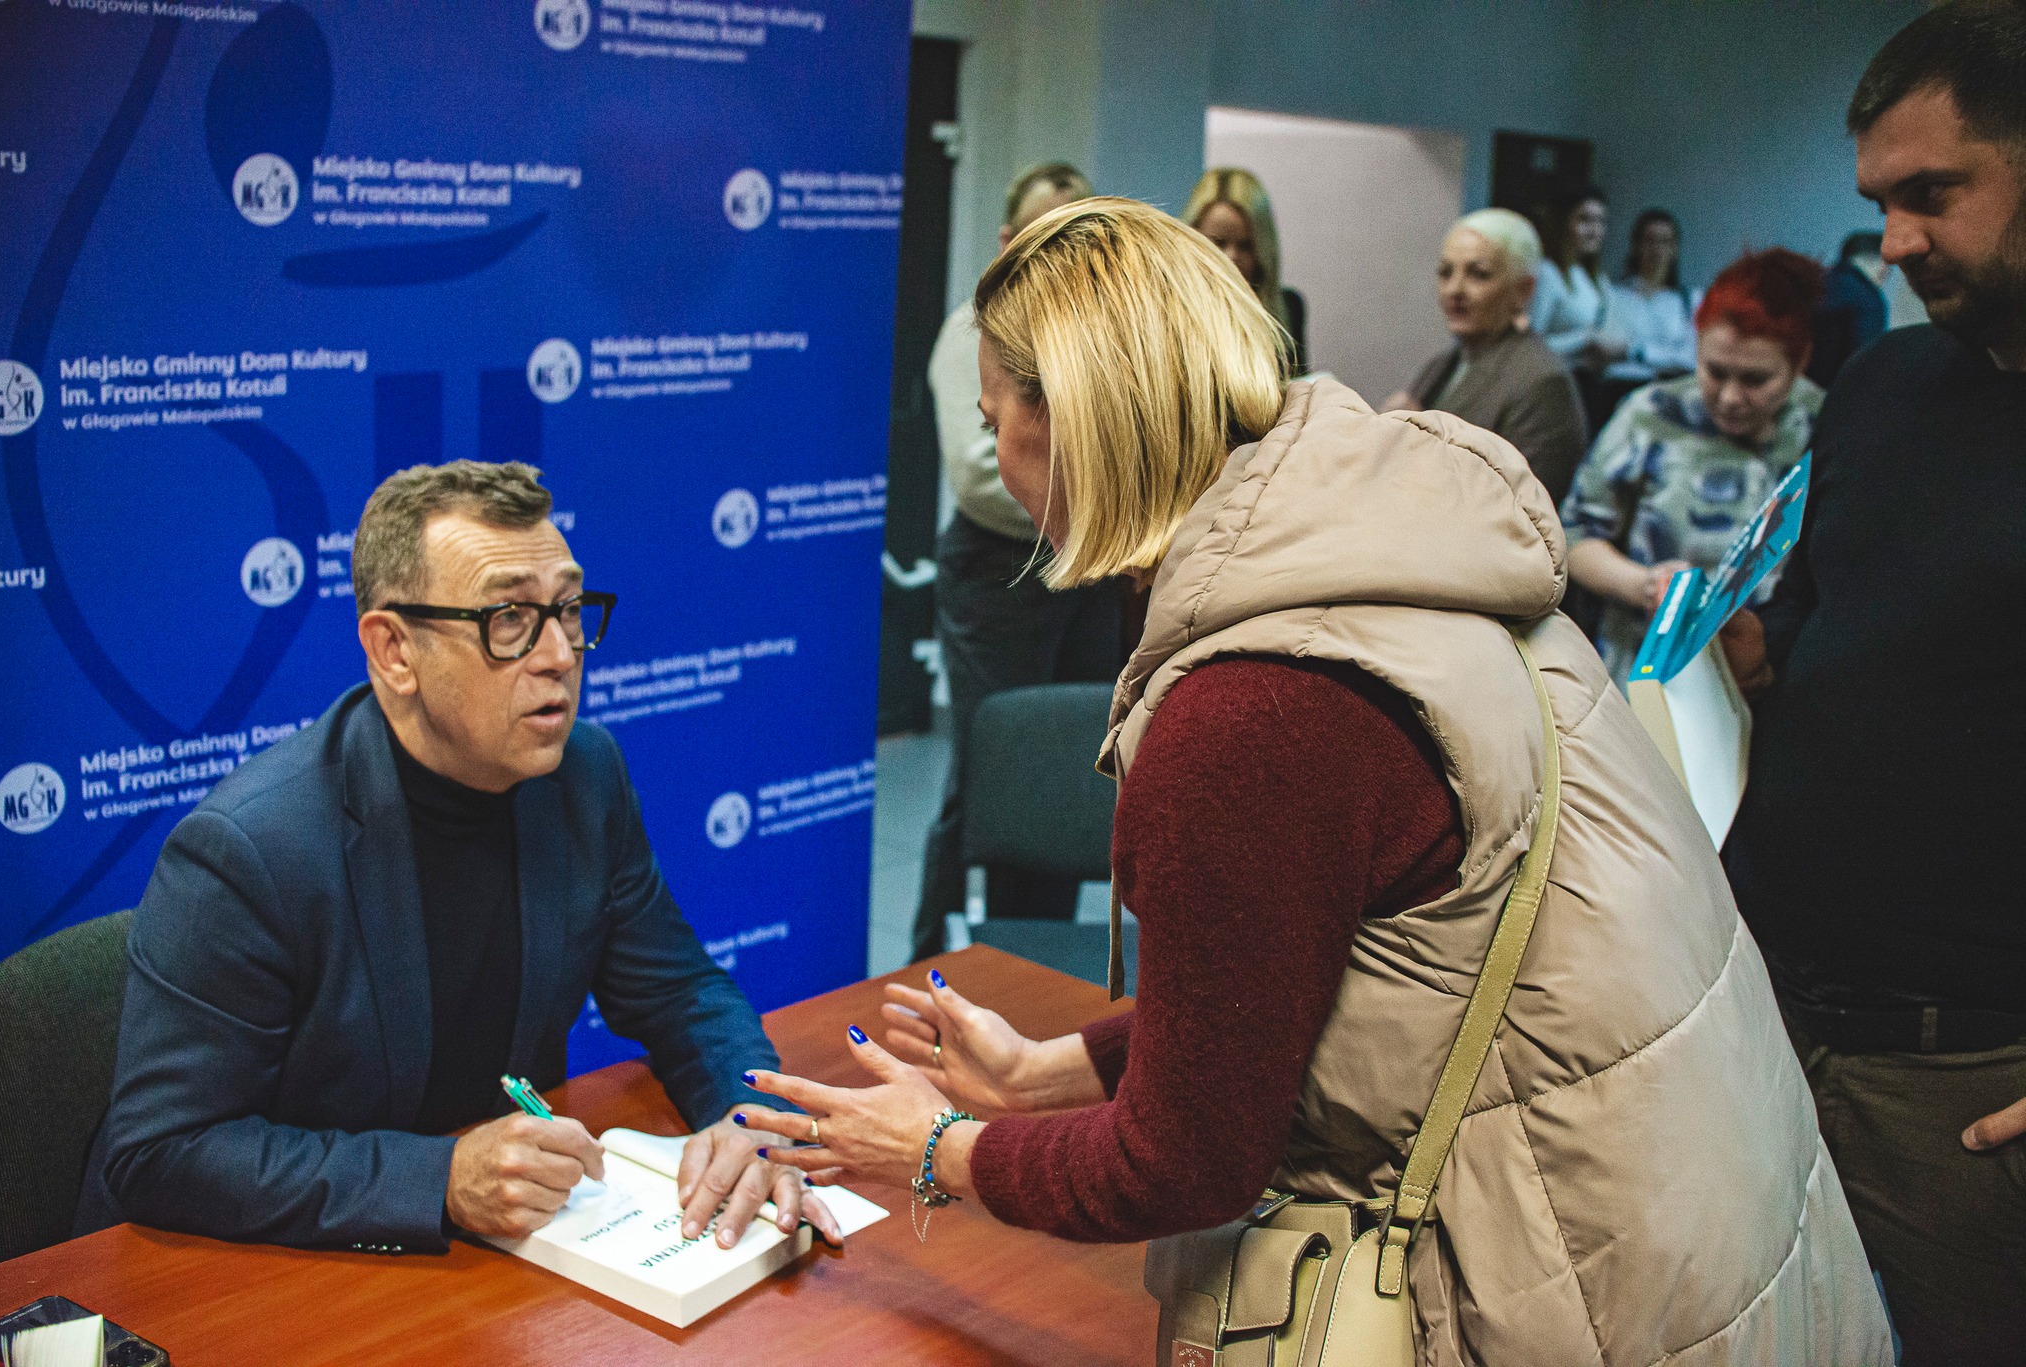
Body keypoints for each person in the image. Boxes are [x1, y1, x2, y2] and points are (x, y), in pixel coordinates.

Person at [738, 198, 1888, 1362]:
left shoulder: (1247, 712)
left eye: (997, 426)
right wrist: (1053, 1072)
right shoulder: (1397, 558)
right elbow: (1330, 968)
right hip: (1698, 1221)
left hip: (1575, 1281)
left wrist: (930, 1147)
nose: (997, 462)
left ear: (1073, 415)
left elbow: (1180, 1162)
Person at [76, 460, 841, 1254]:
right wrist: (438, 1179)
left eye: (567, 609)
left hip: (504, 1253)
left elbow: (680, 991)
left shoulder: (585, 775)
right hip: (268, 1263)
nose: (560, 653)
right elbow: (162, 1151)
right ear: (394, 651)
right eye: (509, 617)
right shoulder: (250, 849)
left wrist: (752, 1119)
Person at [1720, 3, 2026, 1361]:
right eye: (1878, 205)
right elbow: (1811, 626)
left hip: (1965, 1085)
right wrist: (1743, 662)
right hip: (1775, 1029)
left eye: (1932, 194)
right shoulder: (1885, 381)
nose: (1892, 241)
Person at [911, 163, 1126, 961]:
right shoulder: (972, 327)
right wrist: (1096, 491)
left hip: (1085, 573)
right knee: (988, 777)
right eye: (1043, 230)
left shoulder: (1095, 336)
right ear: (1007, 238)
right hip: (999, 576)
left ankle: (1033, 962)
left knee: (1064, 772)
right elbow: (981, 474)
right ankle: (935, 962)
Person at [1562, 248, 1826, 685]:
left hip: (1768, 678)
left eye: (1755, 380)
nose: (1730, 397)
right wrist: (1646, 585)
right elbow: (1573, 537)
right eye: (1715, 372)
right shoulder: (1651, 413)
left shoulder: (1823, 427)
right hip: (1639, 669)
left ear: (1800, 363)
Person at [1382, 207, 1588, 501]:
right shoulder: (1443, 363)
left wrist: (1416, 444)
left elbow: (1520, 510)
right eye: (1445, 273)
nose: (1454, 290)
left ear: (1523, 290)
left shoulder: (1543, 383)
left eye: (1479, 274)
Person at [1183, 167, 1307, 373]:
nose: (1231, 257)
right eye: (1218, 243)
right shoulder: (1167, 310)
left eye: (1245, 246)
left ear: (1263, 251)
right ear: (1190, 240)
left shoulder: (1289, 308)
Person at [1529, 184, 1626, 379]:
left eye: (1600, 221)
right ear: (1563, 222)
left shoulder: (1596, 279)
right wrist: (1585, 339)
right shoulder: (1548, 273)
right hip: (1553, 380)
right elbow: (1529, 346)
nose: (1594, 230)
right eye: (1584, 220)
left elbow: (1615, 331)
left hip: (1591, 381)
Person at [1604, 208, 1698, 386]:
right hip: (1618, 387)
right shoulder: (1613, 295)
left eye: (1665, 242)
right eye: (1649, 241)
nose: (1657, 250)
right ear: (1636, 246)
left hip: (1668, 389)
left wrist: (1637, 352)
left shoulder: (1689, 301)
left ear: (1675, 249)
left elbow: (1690, 357)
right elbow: (1607, 349)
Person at [1807, 231, 1890, 387]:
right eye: (1887, 266)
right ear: (1873, 259)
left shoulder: (1815, 283)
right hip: (1829, 391)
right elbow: (1863, 361)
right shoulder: (1868, 300)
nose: (1887, 273)